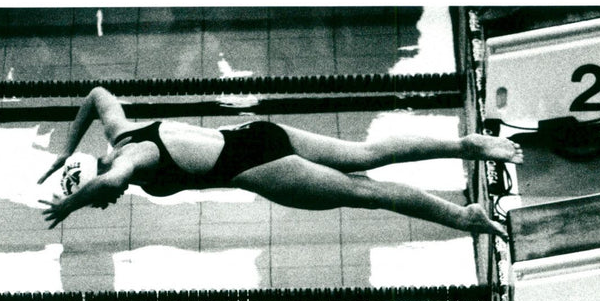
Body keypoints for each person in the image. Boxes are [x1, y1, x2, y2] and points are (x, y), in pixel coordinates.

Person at [37, 85, 517, 237]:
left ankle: (464, 216)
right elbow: (97, 93)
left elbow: (107, 184)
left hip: (260, 168)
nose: (110, 201)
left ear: (92, 176)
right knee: (366, 156)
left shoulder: (131, 161)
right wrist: (64, 149)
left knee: (366, 192)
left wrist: (70, 205)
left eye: (101, 197)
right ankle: (468, 145)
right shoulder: (120, 132)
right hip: (259, 133)